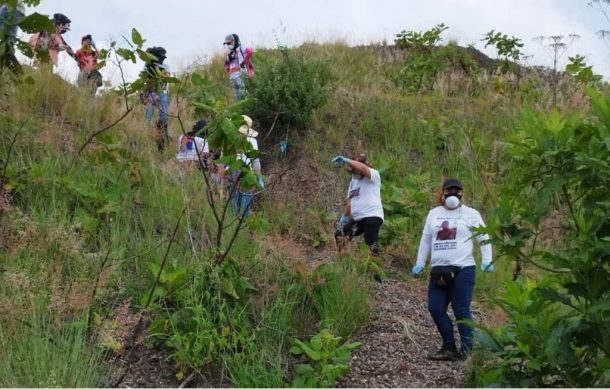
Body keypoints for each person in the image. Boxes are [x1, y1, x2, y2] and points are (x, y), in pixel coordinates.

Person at [411, 178, 494, 361]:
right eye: (449, 190)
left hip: (464, 268)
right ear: (442, 193)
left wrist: (487, 259)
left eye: (457, 190)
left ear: (462, 193)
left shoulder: (471, 214)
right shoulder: (433, 214)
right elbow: (425, 240)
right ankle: (449, 346)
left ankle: (467, 351)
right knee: (435, 308)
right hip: (439, 270)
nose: (452, 194)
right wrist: (420, 262)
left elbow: (483, 237)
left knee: (461, 310)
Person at [331, 154, 384, 256]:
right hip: (358, 218)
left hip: (371, 216)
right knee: (340, 235)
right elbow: (351, 201)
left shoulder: (373, 174)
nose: (354, 173)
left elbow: (363, 168)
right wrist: (344, 217)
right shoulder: (353, 182)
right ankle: (342, 258)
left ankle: (375, 266)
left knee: (371, 247)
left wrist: (347, 160)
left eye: (355, 170)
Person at [229, 115, 263, 216]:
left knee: (233, 202)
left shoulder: (229, 139)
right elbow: (255, 161)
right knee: (244, 201)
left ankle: (234, 222)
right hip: (246, 172)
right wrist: (258, 177)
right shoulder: (252, 141)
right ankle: (242, 221)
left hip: (234, 172)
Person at [140, 46, 170, 151]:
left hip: (163, 93)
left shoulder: (165, 66)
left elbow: (166, 79)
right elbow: (145, 81)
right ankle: (148, 136)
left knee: (164, 117)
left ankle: (164, 137)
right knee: (149, 117)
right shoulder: (147, 66)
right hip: (151, 93)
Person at [223, 33, 254, 101]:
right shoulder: (230, 52)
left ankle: (243, 108)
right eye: (227, 44)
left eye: (229, 43)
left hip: (239, 75)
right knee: (240, 94)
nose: (228, 45)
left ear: (234, 40)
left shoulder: (241, 47)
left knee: (241, 93)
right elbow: (226, 65)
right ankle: (243, 108)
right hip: (235, 76)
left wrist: (243, 62)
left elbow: (250, 52)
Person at [0, 2, 25, 72]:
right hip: (7, 8)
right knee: (6, 44)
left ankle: (18, 74)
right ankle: (17, 74)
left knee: (7, 43)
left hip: (12, 8)